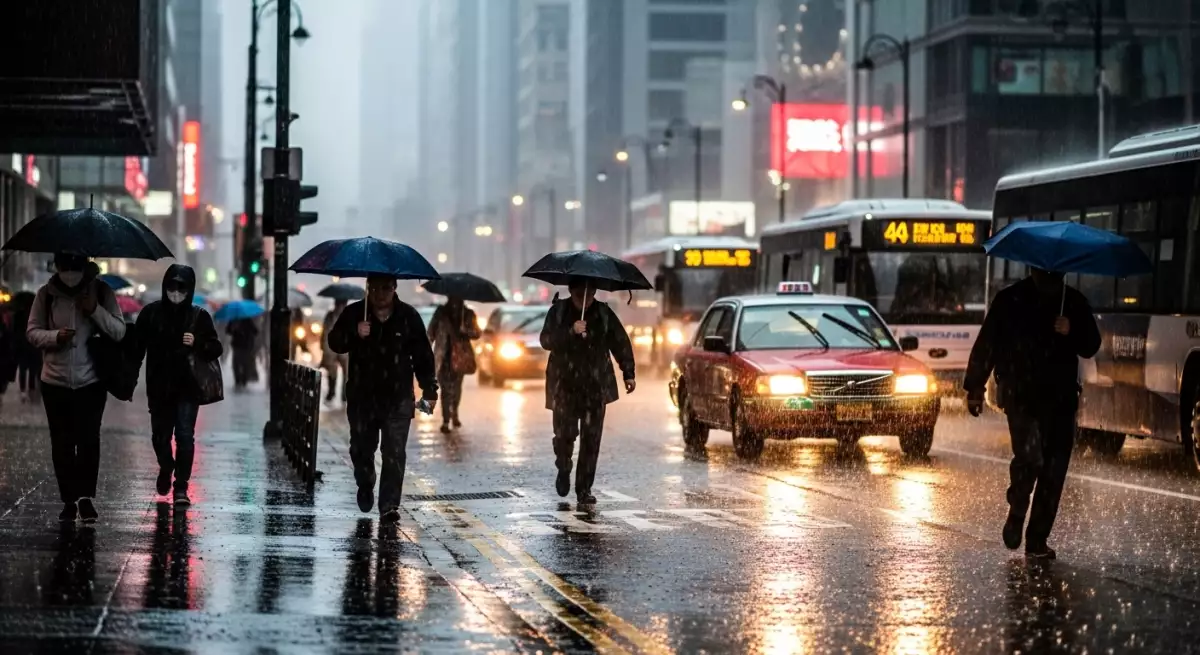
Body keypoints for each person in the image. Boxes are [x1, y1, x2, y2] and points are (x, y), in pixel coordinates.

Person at [964, 267, 1101, 559]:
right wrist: (974, 387)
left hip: (1061, 401)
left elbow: (1092, 345)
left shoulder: (1073, 302)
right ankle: (1017, 506)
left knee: (1054, 471)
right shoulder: (1010, 300)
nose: (1051, 276)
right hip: (1021, 398)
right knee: (1030, 457)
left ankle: (1037, 540)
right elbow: (987, 344)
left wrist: (1071, 329)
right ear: (1032, 269)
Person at [328, 274, 438, 524]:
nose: (380, 294)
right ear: (368, 288)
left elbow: (423, 355)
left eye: (385, 288)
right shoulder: (355, 313)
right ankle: (365, 483)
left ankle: (389, 504)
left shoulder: (408, 317)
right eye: (375, 288)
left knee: (394, 453)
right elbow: (335, 342)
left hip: (397, 397)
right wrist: (354, 333)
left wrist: (429, 389)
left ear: (394, 288)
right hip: (362, 397)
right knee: (361, 448)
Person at [26, 253, 127, 523]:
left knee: (88, 440)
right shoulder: (45, 295)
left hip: (91, 381)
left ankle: (85, 498)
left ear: (84, 267)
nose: (69, 272)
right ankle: (68, 499)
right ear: (56, 267)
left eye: (74, 267)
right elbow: (32, 331)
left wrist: (94, 309)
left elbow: (119, 331)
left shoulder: (102, 291)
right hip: (54, 381)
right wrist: (54, 337)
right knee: (61, 443)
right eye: (64, 267)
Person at [540, 278, 635, 504]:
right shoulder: (558, 312)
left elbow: (619, 342)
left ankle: (584, 489)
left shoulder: (603, 314)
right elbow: (546, 340)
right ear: (571, 290)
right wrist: (570, 331)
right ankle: (563, 467)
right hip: (564, 386)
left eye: (590, 291)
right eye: (580, 291)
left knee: (591, 441)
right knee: (564, 436)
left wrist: (628, 372)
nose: (585, 296)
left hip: (595, 387)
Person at [134, 265, 224, 506]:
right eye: (171, 287)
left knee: (185, 436)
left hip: (188, 388)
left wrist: (198, 343)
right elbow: (135, 347)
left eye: (181, 288)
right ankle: (166, 466)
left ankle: (181, 486)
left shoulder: (199, 316)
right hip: (159, 387)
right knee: (160, 437)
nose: (176, 292)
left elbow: (216, 348)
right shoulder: (151, 314)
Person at [426, 297, 480, 433]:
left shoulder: (468, 314)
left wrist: (466, 330)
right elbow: (431, 331)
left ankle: (454, 410)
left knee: (456, 388)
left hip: (460, 356)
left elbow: (477, 333)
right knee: (445, 389)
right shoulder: (441, 313)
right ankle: (445, 420)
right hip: (443, 356)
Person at [12, 291, 41, 402]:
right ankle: (31, 390)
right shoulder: (37, 315)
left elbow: (14, 331)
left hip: (23, 345)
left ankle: (24, 391)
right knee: (32, 369)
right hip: (32, 345)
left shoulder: (18, 315)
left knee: (24, 369)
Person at [321, 298, 350, 403]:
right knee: (332, 372)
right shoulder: (330, 316)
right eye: (339, 304)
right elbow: (324, 332)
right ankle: (331, 392)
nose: (340, 307)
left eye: (342, 304)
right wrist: (324, 348)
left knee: (347, 373)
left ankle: (344, 395)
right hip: (331, 348)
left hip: (345, 349)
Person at [227, 317, 259, 389]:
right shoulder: (233, 320)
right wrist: (232, 330)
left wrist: (246, 332)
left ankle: (243, 381)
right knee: (236, 364)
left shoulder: (247, 320)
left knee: (244, 364)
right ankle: (238, 381)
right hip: (238, 346)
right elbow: (228, 330)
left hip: (245, 346)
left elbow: (255, 331)